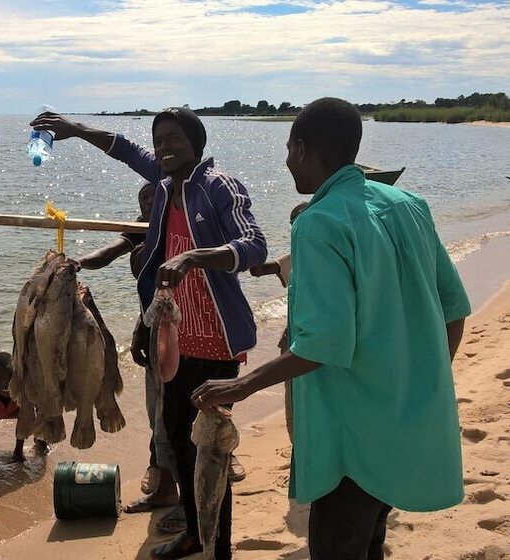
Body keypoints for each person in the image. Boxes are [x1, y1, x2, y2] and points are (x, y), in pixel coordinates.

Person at [192, 98, 471, 560]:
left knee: (339, 544)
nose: (285, 161)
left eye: (288, 148)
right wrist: (427, 383)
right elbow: (454, 308)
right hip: (406, 420)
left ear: (302, 148)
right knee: (371, 538)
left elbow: (323, 344)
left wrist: (241, 385)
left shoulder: (318, 223)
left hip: (352, 434)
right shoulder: (410, 205)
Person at [32, 108, 267, 560]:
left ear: (195, 143)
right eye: (159, 139)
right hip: (173, 336)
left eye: (174, 138)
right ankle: (196, 533)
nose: (164, 146)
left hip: (215, 340)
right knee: (176, 441)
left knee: (211, 451)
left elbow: (254, 244)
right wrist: (78, 130)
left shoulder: (219, 186)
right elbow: (125, 150)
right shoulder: (163, 187)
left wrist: (194, 258)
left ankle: (220, 547)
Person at [79, 182, 184, 523]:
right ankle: (166, 483)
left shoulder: (180, 228)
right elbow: (108, 252)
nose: (150, 202)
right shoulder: (139, 232)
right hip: (154, 330)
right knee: (159, 411)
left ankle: (189, 487)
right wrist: (76, 263)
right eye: (143, 198)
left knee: (179, 413)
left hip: (186, 331)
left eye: (155, 196)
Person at [249, 201, 309, 441]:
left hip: (314, 341)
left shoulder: (323, 253)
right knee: (293, 401)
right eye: (294, 225)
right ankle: (297, 444)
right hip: (294, 340)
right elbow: (261, 269)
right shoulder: (295, 255)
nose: (298, 229)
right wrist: (247, 247)